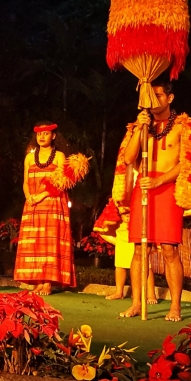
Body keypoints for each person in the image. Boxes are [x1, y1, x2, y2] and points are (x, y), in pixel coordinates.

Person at [113, 80, 191, 321]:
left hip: (168, 190)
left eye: (158, 96)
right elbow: (129, 158)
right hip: (143, 189)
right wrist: (138, 129)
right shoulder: (140, 126)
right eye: (150, 97)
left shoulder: (183, 126)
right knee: (140, 250)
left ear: (170, 98)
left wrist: (160, 180)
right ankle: (136, 304)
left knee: (168, 249)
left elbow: (187, 161)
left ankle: (175, 307)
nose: (153, 101)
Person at [13, 122, 88, 295]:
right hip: (32, 202)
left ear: (53, 136)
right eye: (39, 134)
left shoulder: (59, 156)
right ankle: (38, 281)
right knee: (35, 242)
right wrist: (28, 196)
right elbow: (25, 182)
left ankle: (47, 282)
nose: (42, 137)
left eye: (46, 134)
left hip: (52, 202)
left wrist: (42, 196)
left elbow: (61, 183)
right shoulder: (30, 157)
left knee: (49, 241)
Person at [93, 198, 156, 302]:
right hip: (122, 236)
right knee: (120, 266)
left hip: (137, 234)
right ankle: (119, 292)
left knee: (145, 267)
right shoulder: (118, 196)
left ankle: (151, 295)